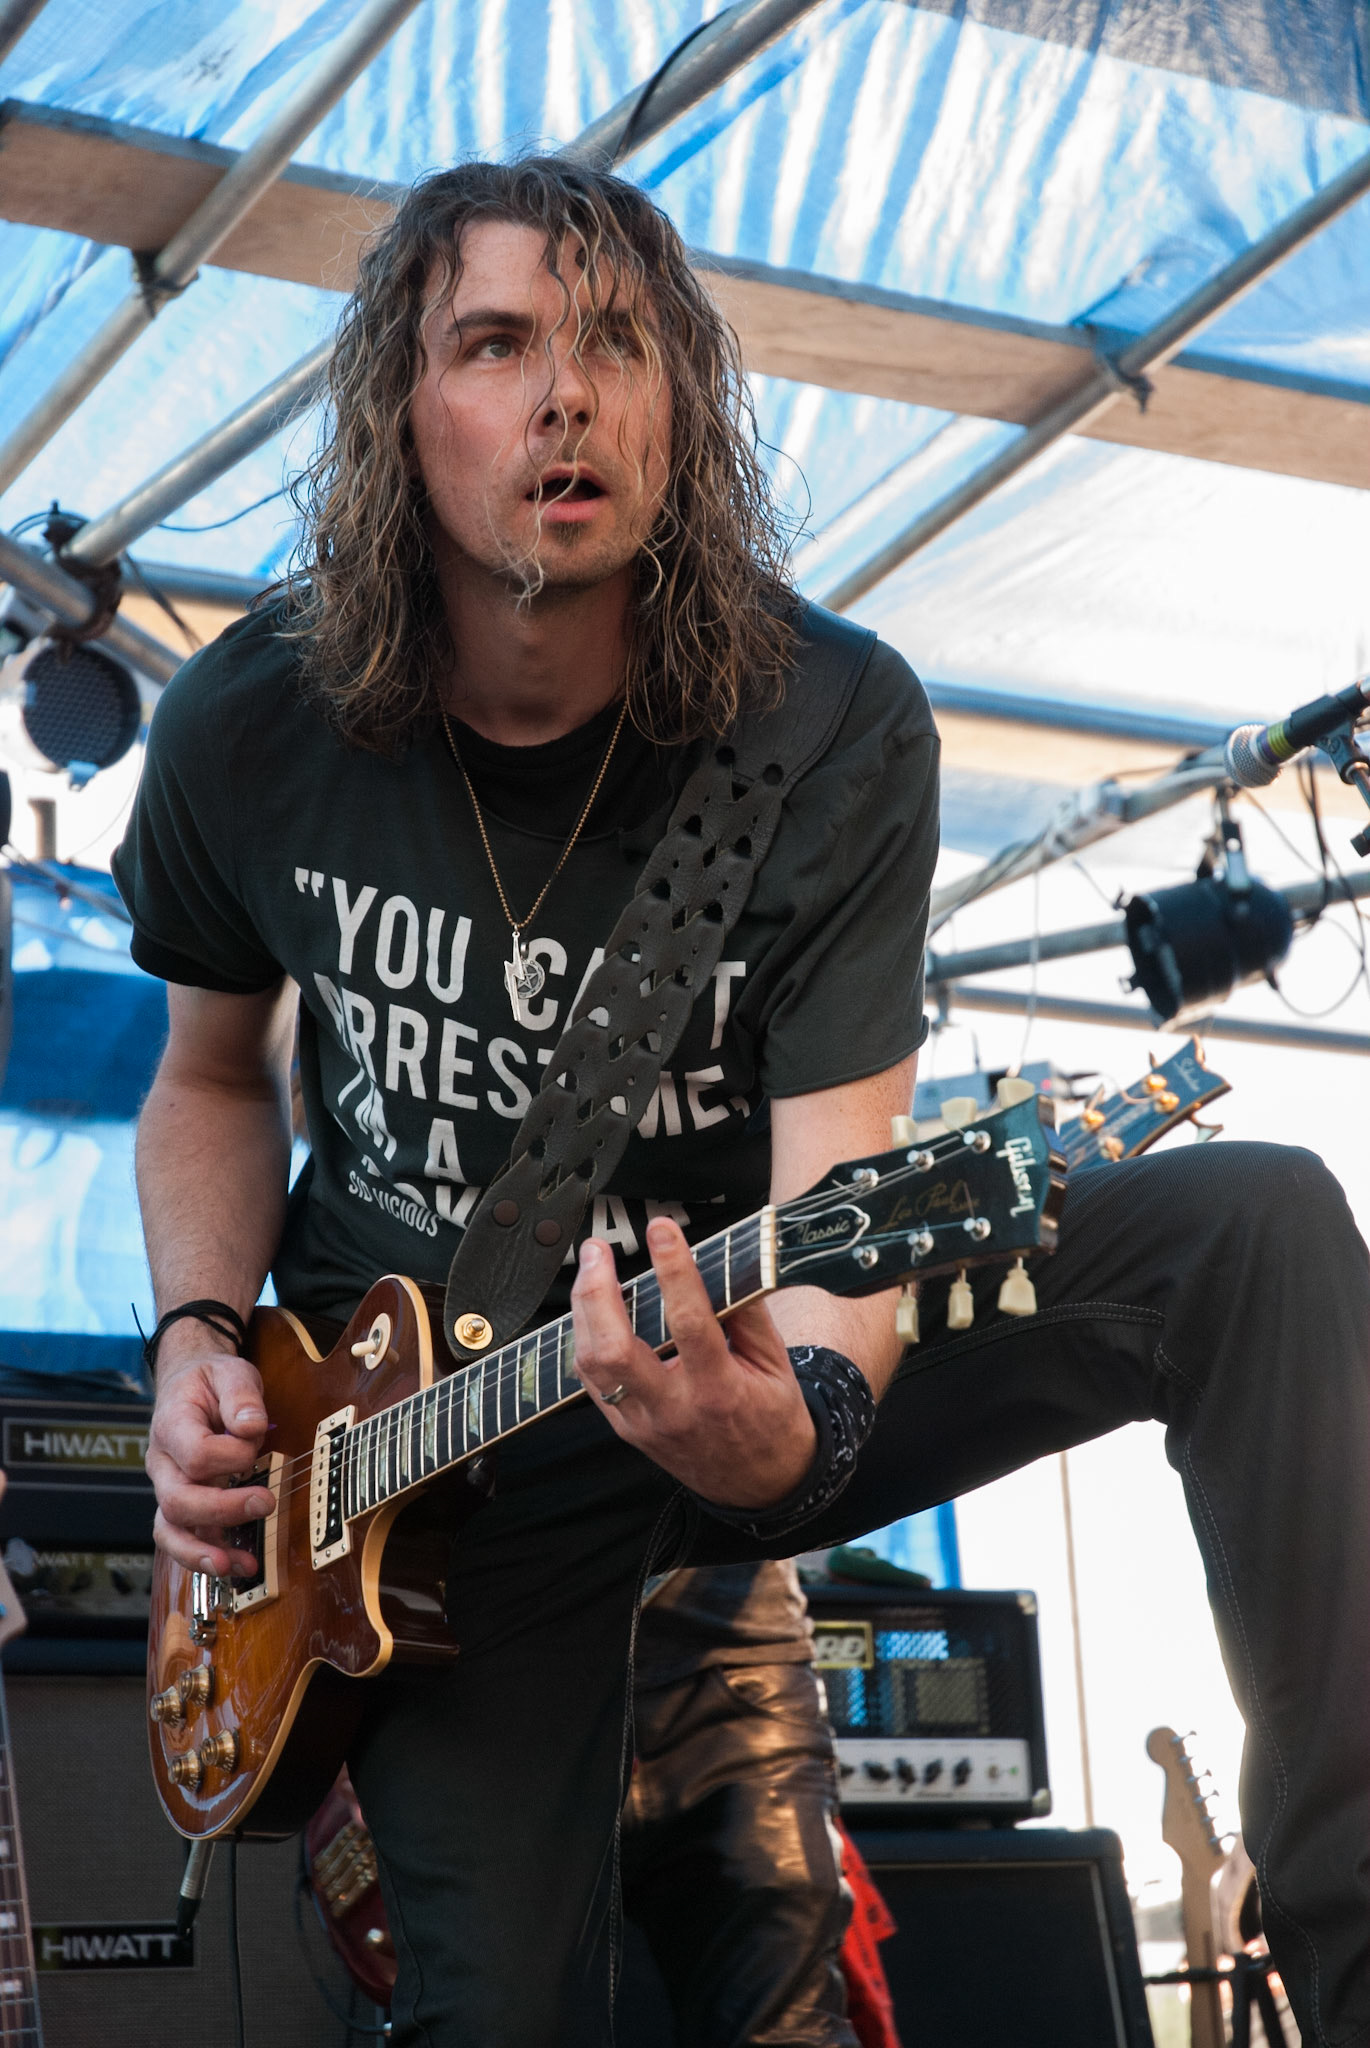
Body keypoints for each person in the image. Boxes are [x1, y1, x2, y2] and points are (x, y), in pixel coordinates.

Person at [113, 157, 1369, 2048]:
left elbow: (844, 1184)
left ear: (684, 400)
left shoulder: (827, 727)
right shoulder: (253, 727)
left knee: (1251, 1226)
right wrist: (198, 1337)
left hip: (755, 1329)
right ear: (399, 410)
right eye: (497, 341)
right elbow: (209, 1075)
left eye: (620, 342)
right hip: (419, 1466)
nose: (567, 393)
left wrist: (792, 1441)